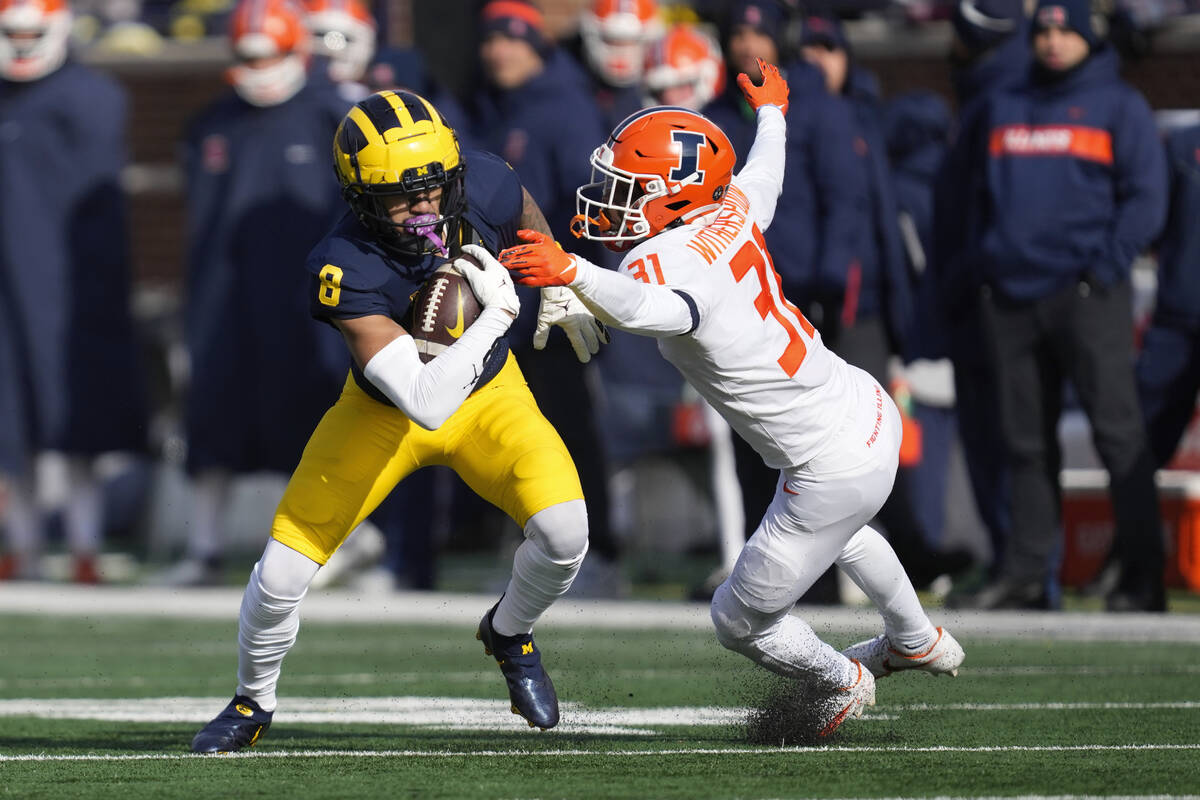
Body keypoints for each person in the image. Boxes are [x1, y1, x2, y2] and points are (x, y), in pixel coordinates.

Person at [500, 59, 964, 736]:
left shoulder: (657, 261)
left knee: (737, 618)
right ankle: (914, 636)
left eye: (626, 188)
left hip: (827, 464)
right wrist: (772, 112)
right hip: (863, 410)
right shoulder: (728, 211)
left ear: (673, 195)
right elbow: (761, 177)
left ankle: (846, 679)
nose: (610, 199)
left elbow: (657, 308)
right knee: (846, 531)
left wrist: (573, 271)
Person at [190, 88, 605, 753]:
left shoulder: (485, 181)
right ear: (360, 198)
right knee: (280, 576)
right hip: (386, 413)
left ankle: (508, 631)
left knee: (564, 535)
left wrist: (555, 274)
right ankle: (252, 700)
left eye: (436, 187)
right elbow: (423, 400)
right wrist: (498, 315)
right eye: (399, 197)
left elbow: (517, 202)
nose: (424, 206)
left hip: (491, 397)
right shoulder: (344, 266)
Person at [947, 0, 1169, 612]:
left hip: (1085, 294)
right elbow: (974, 201)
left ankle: (1141, 576)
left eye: (1062, 29)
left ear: (1085, 35)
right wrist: (985, 268)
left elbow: (1147, 197)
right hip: (1011, 298)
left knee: (1118, 435)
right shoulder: (1002, 102)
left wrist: (1103, 270)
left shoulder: (1118, 104)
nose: (1050, 40)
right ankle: (1026, 575)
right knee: (1023, 443)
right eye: (1041, 29)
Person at [160, 0, 353, 587]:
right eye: (250, 55)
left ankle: (337, 542)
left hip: (308, 301)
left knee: (312, 419)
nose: (260, 66)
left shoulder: (331, 119)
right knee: (214, 417)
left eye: (269, 54)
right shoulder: (212, 124)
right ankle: (204, 547)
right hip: (222, 299)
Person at [702, 0, 863, 603]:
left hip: (800, 298)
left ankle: (820, 581)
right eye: (737, 32)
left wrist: (828, 287)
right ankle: (763, 576)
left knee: (812, 441)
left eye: (758, 32)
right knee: (752, 436)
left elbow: (844, 200)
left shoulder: (817, 107)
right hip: (737, 302)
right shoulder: (715, 113)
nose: (747, 43)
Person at [467, 0, 623, 595]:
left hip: (554, 300)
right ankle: (536, 552)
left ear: (538, 46)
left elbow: (592, 208)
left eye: (512, 40)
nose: (498, 51)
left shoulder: (564, 108)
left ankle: (599, 551)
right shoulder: (493, 106)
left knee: (568, 428)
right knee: (513, 433)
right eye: (491, 41)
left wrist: (586, 287)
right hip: (505, 304)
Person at [0, 0, 147, 582]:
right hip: (8, 295)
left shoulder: (93, 98)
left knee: (77, 424)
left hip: (75, 293)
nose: (24, 43)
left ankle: (84, 548)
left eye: (35, 31)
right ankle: (21, 545)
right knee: (15, 426)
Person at [1135, 123, 1200, 468]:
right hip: (1178, 318)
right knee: (1139, 446)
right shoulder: (1183, 144)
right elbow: (1152, 221)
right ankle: (1135, 523)